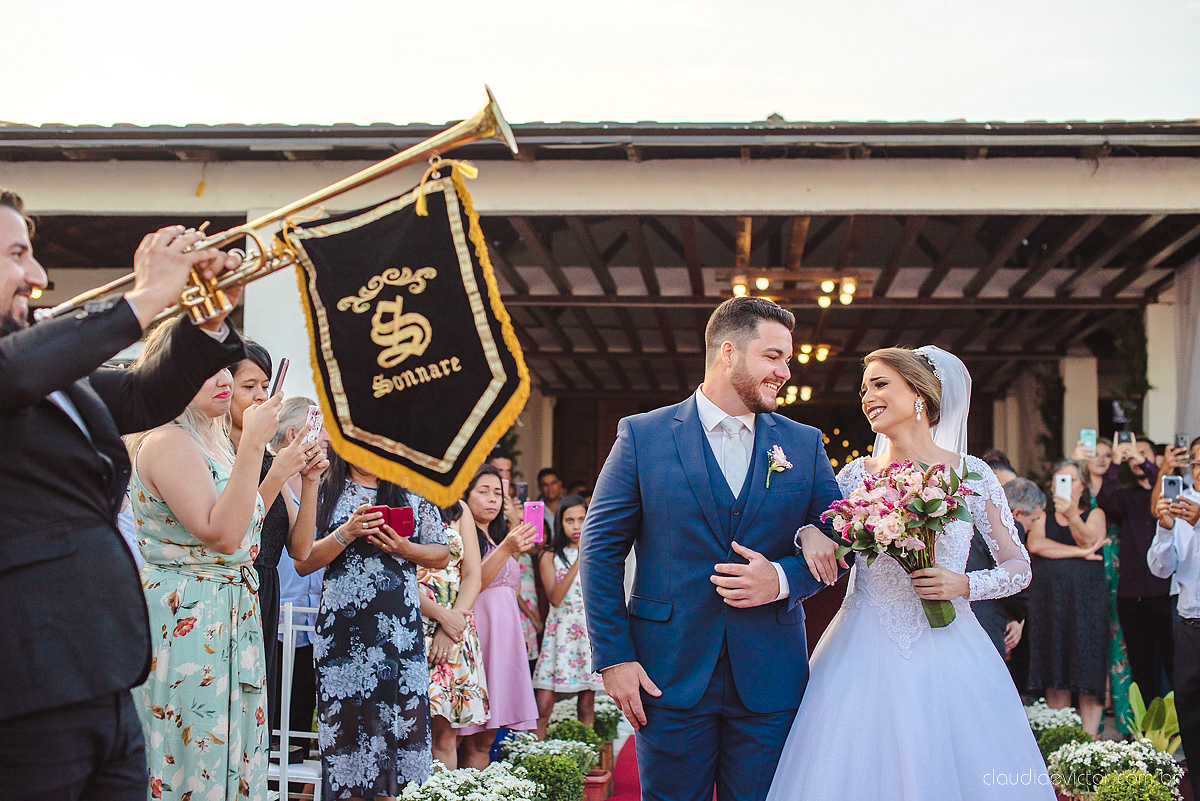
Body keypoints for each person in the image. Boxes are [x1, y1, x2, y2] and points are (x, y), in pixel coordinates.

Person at [0, 188, 247, 800]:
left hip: (102, 676)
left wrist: (205, 320)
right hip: (23, 686)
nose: (38, 276)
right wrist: (143, 299)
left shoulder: (52, 370)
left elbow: (140, 398)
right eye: (16, 255)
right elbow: (15, 373)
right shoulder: (24, 366)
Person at [581, 297, 844, 801]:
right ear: (728, 352)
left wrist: (784, 577)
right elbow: (600, 549)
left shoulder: (804, 443)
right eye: (773, 357)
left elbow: (841, 537)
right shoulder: (642, 435)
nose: (785, 372)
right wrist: (614, 656)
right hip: (667, 672)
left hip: (770, 673)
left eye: (786, 359)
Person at [766, 345, 1054, 801]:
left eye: (880, 384)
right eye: (864, 389)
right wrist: (808, 533)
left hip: (951, 645)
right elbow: (826, 541)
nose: (867, 397)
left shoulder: (971, 474)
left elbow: (1019, 568)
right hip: (861, 644)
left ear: (920, 394)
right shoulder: (855, 477)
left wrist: (965, 584)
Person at [127, 322, 289, 801]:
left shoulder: (213, 439)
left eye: (223, 367)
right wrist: (257, 445)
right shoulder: (168, 441)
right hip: (189, 614)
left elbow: (243, 525)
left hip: (227, 610)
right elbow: (222, 533)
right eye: (205, 370)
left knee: (231, 745)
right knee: (193, 751)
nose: (222, 380)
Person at [294, 452, 449, 800]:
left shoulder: (412, 490)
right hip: (343, 637)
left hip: (400, 635)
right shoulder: (323, 490)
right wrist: (345, 533)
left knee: (398, 731)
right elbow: (303, 561)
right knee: (348, 735)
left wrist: (406, 548)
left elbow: (442, 553)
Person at [228, 353, 323, 732]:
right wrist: (281, 469)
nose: (260, 397)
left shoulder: (269, 460)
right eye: (249, 387)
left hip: (265, 587)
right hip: (232, 585)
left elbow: (300, 549)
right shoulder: (217, 454)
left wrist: (311, 480)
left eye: (265, 387)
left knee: (258, 713)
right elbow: (237, 527)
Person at [457, 464, 540, 769]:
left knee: (485, 738)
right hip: (476, 640)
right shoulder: (461, 533)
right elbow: (474, 582)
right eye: (483, 491)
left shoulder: (496, 537)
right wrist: (506, 549)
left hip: (503, 643)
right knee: (460, 733)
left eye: (497, 493)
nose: (492, 499)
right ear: (465, 493)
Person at [1026, 459, 1110, 734]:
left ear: (1083, 485)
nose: (1064, 485)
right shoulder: (1043, 515)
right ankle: (1060, 739)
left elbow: (1091, 541)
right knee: (1055, 667)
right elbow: (1036, 544)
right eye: (1059, 479)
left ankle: (1089, 740)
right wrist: (1078, 553)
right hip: (1051, 603)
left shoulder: (1095, 514)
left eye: (1071, 480)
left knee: (1087, 665)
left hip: (1087, 604)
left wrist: (1073, 516)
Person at [1096, 435, 1175, 702]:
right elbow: (1104, 500)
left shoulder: (1169, 494)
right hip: (1131, 594)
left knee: (1175, 665)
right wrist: (1116, 463)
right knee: (1141, 669)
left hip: (1166, 593)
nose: (1138, 459)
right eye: (1134, 455)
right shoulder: (1126, 498)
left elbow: (1163, 485)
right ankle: (1148, 734)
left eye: (1144, 454)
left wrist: (1149, 465)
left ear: (1157, 460)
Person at [417, 500, 489, 769]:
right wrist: (441, 616)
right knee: (407, 728)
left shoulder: (457, 506)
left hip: (456, 628)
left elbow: (472, 573)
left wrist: (452, 624)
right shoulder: (394, 495)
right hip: (410, 621)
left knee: (445, 734)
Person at [1148, 436, 1200, 769]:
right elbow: (1160, 568)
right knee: (1191, 717)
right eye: (1195, 462)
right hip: (1190, 630)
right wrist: (1166, 530)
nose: (1199, 469)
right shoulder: (1183, 502)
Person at [533, 494, 603, 737]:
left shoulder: (598, 552)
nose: (576, 526)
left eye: (581, 519)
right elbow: (555, 597)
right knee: (543, 705)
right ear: (559, 523)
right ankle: (533, 758)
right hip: (560, 634)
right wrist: (580, 559)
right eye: (569, 520)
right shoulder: (548, 554)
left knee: (586, 704)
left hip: (587, 634)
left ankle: (589, 763)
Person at [537, 467, 564, 538]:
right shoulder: (535, 509)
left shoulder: (570, 505)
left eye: (553, 483)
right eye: (545, 485)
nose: (550, 488)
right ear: (539, 487)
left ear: (560, 484)